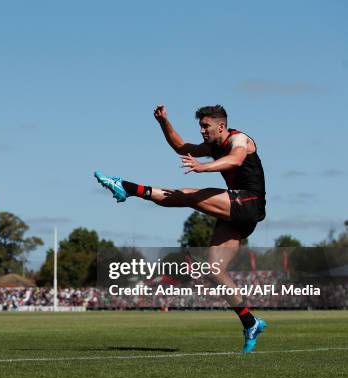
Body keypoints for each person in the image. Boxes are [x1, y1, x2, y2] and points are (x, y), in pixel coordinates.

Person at [94, 104, 267, 353]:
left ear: (221, 126)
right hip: (236, 211)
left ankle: (127, 187)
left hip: (249, 202)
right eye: (200, 126)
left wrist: (203, 167)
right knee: (214, 270)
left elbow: (236, 159)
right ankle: (250, 322)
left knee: (189, 195)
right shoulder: (213, 147)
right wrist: (163, 121)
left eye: (205, 126)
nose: (202, 131)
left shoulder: (238, 138)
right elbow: (180, 146)